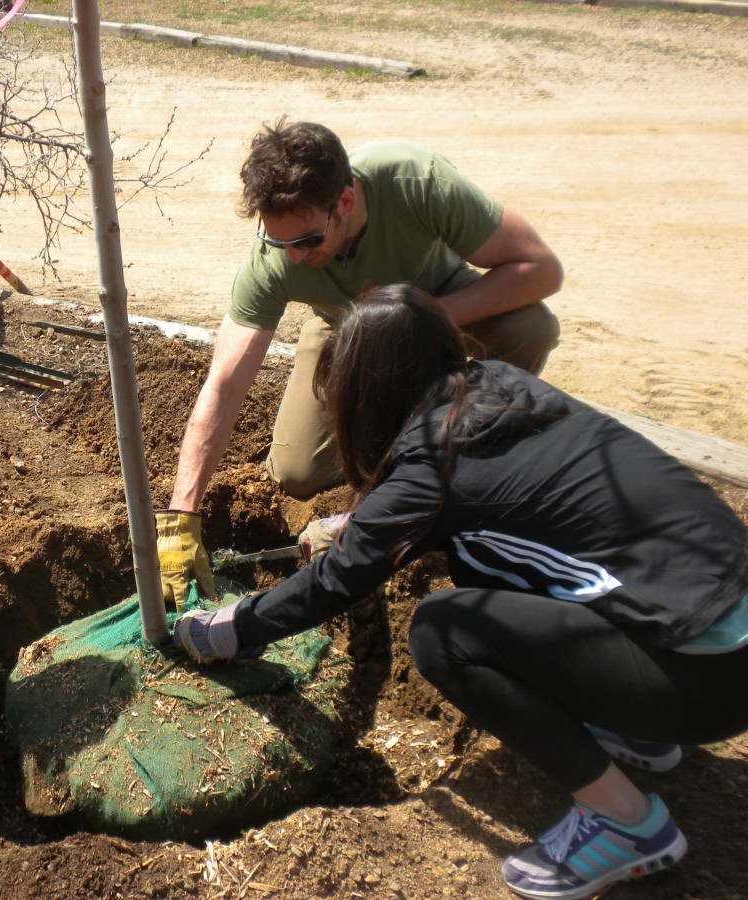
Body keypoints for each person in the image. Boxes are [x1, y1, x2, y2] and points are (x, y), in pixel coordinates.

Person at [172, 284, 748, 899]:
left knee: (442, 630)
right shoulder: (499, 385)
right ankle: (635, 728)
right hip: (715, 618)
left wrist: (233, 626)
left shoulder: (429, 473)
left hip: (701, 681)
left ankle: (627, 825)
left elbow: (333, 585)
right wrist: (363, 525)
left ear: (365, 393)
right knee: (509, 566)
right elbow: (499, 506)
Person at [155, 119, 564, 606]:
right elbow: (223, 386)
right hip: (343, 328)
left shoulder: (416, 181)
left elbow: (541, 268)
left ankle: (470, 450)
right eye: (278, 242)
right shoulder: (276, 258)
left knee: (531, 328)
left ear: (345, 202)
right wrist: (181, 515)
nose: (295, 257)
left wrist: (422, 321)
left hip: (438, 301)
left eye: (306, 241)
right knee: (296, 473)